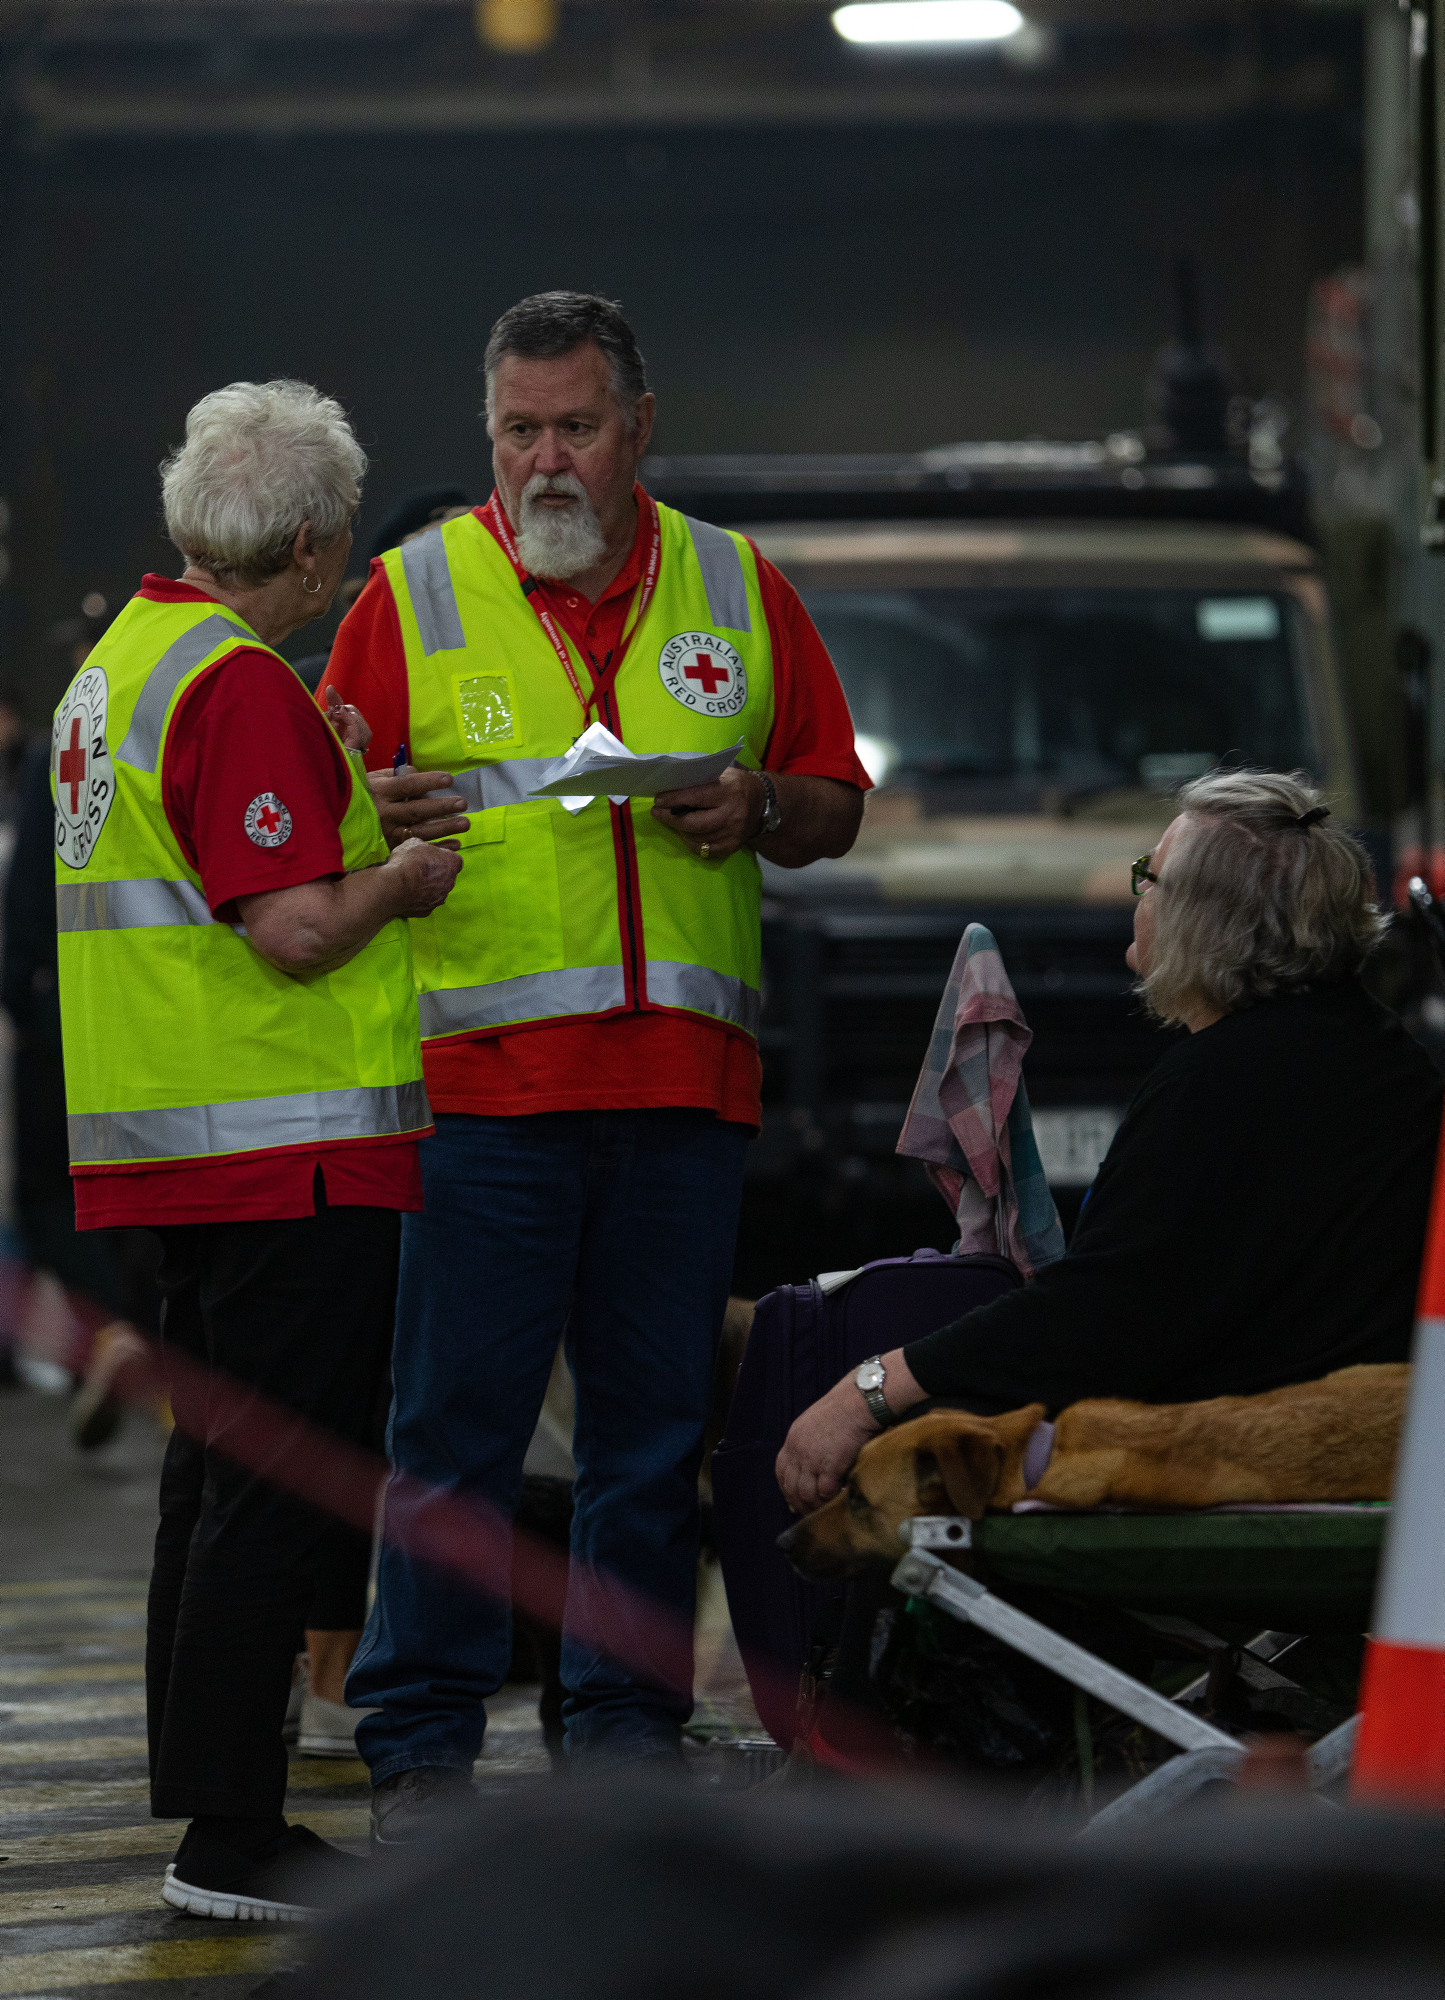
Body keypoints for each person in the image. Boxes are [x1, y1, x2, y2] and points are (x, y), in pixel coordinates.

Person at [321, 290, 868, 1833]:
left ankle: (623, 1733)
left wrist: (759, 805)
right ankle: (421, 1748)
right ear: (486, 431)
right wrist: (374, 815)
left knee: (647, 1446)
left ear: (639, 429)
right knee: (453, 1438)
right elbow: (311, 823)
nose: (544, 460)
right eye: (518, 430)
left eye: (574, 427)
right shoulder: (409, 596)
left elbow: (834, 802)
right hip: (482, 1100)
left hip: (681, 1100)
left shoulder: (735, 586)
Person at [52, 379, 461, 1920]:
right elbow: (291, 927)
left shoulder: (123, 663)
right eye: (340, 537)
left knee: (212, 1477)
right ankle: (233, 1835)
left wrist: (337, 782)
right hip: (283, 1147)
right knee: (272, 1486)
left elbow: (208, 863)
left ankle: (206, 1801)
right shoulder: (234, 683)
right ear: (305, 543)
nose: (346, 562)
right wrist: (404, 878)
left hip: (175, 1141)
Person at [778, 767, 1444, 1513]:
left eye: (1147, 879)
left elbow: (1100, 1319)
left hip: (1240, 1464)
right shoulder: (1384, 1054)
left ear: (1201, 918)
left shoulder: (1219, 1079)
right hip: (1368, 1447)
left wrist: (871, 1388)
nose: (1137, 898)